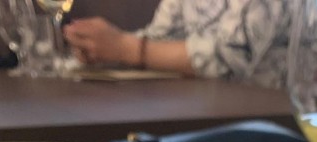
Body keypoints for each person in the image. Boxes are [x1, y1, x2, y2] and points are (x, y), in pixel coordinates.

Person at [63, 0, 292, 89]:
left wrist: (124, 47)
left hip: (273, 122)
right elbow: (158, 38)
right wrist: (104, 48)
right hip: (197, 112)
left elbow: (232, 58)